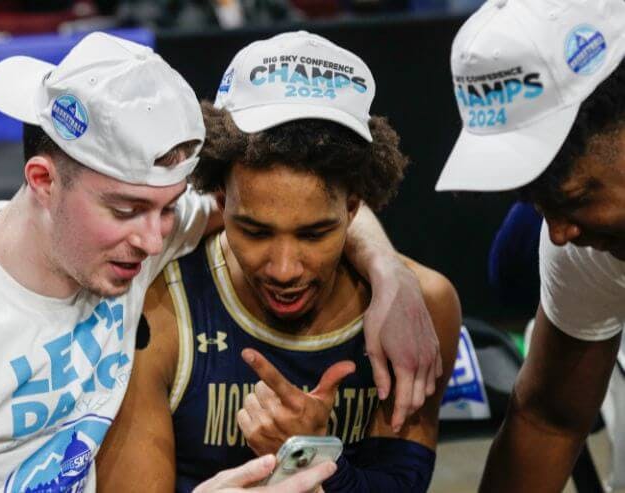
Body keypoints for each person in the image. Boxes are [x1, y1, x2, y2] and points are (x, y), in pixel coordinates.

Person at [0, 32, 439, 492]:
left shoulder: (136, 237)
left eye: (169, 207)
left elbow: (305, 200)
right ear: (43, 181)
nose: (152, 241)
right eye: (127, 210)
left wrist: (392, 277)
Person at [96, 31, 461, 492]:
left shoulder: (421, 306)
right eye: (254, 230)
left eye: (315, 233)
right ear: (218, 200)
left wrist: (315, 455)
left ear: (353, 209)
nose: (285, 269)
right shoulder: (157, 306)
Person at [434, 0, 625, 490]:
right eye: (534, 201)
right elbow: (549, 419)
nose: (559, 233)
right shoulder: (586, 242)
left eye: (577, 196)